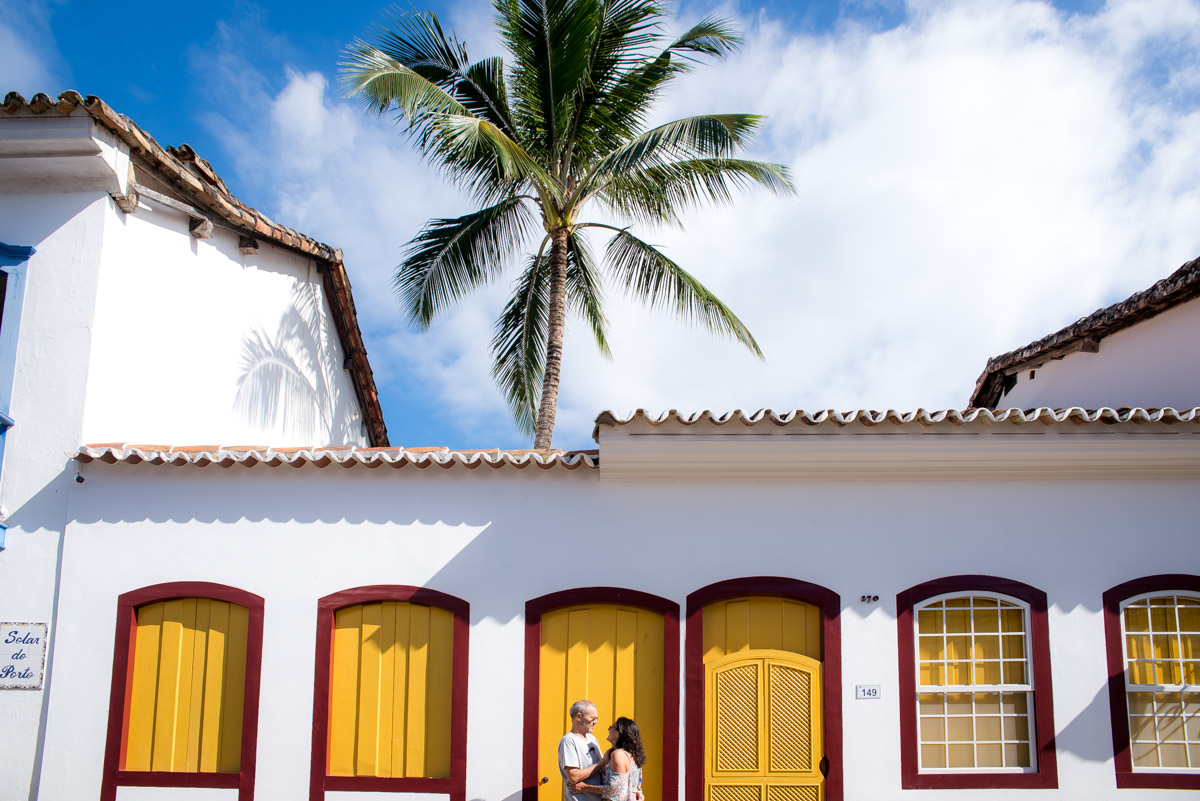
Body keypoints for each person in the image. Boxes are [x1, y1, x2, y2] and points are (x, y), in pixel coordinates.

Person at [571, 717, 646, 801]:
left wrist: (585, 787)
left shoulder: (618, 754)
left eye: (611, 727)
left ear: (619, 733)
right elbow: (637, 787)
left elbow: (614, 790)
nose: (608, 729)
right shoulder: (634, 755)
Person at [558, 700, 608, 801]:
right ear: (578, 717)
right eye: (592, 718)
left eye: (596, 718)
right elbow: (573, 777)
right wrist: (601, 762)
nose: (596, 722)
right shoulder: (568, 741)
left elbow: (603, 770)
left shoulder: (592, 739)